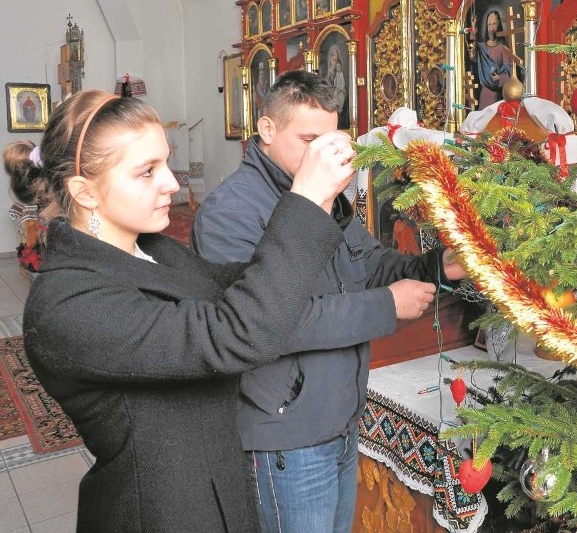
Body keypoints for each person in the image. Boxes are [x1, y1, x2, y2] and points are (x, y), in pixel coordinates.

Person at [3, 89, 357, 533]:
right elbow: (235, 334)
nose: (171, 182)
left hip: (220, 491)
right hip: (160, 511)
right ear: (85, 192)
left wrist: (321, 200)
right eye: (147, 171)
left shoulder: (153, 250)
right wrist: (303, 199)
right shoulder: (66, 302)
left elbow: (243, 286)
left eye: (165, 163)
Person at [191, 70, 467, 533]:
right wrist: (385, 305)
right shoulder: (231, 212)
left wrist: (438, 266)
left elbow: (371, 264)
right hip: (285, 434)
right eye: (308, 140)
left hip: (338, 418)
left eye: (332, 142)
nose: (323, 157)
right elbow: (270, 323)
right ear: (267, 130)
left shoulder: (328, 197)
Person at [469, 9, 514, 109]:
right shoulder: (482, 47)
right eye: (489, 24)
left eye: (494, 24)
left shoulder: (503, 48)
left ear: (499, 25)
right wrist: (473, 30)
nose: (492, 28)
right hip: (485, 93)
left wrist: (500, 78)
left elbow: (509, 71)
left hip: (497, 94)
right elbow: (472, 55)